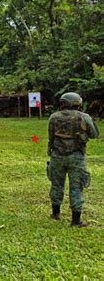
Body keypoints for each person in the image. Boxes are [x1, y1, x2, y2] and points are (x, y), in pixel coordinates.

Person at [47, 92, 99, 227]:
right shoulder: (83, 117)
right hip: (76, 156)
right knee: (76, 187)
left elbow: (51, 136)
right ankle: (76, 220)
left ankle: (56, 213)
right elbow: (94, 134)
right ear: (78, 103)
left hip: (57, 155)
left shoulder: (53, 117)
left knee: (56, 184)